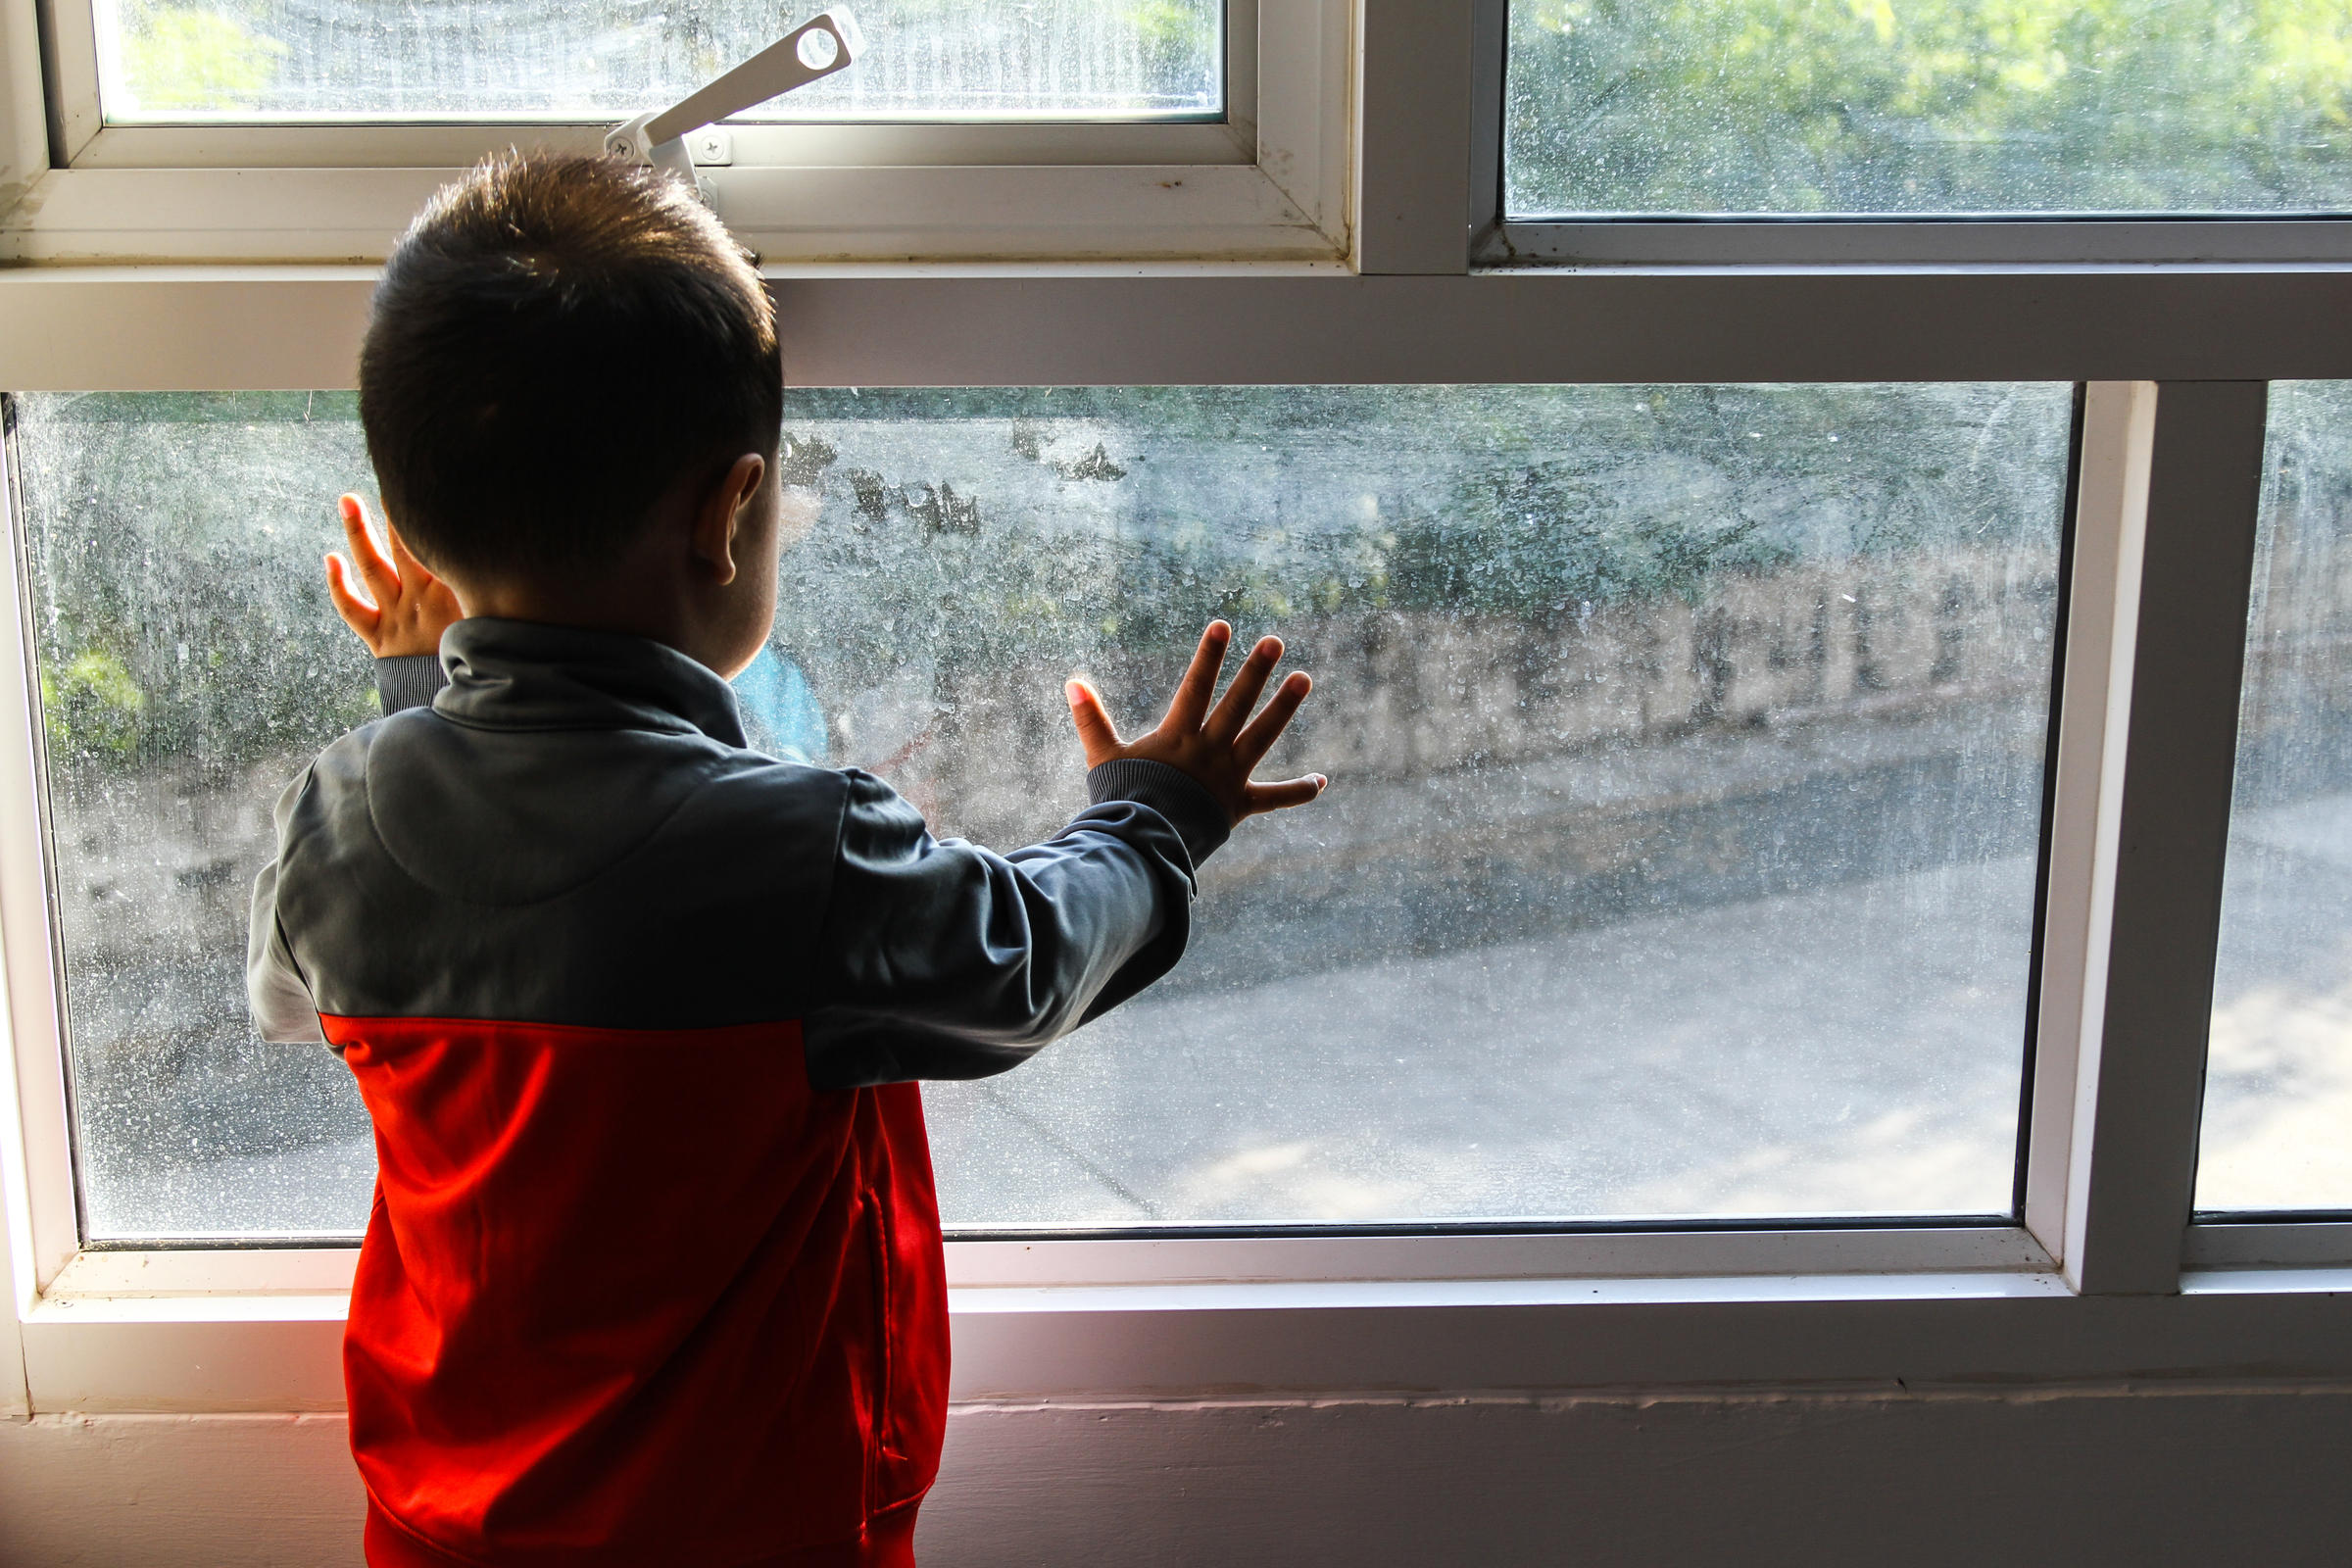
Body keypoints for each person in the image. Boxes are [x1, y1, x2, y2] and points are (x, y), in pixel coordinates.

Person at [248, 152, 1326, 1568]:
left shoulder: (340, 815)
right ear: (725, 512)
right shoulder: (796, 851)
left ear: (420, 524)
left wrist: (418, 702)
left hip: (448, 1528)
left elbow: (300, 992)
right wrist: (1154, 813)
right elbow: (1021, 965)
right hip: (758, 1531)